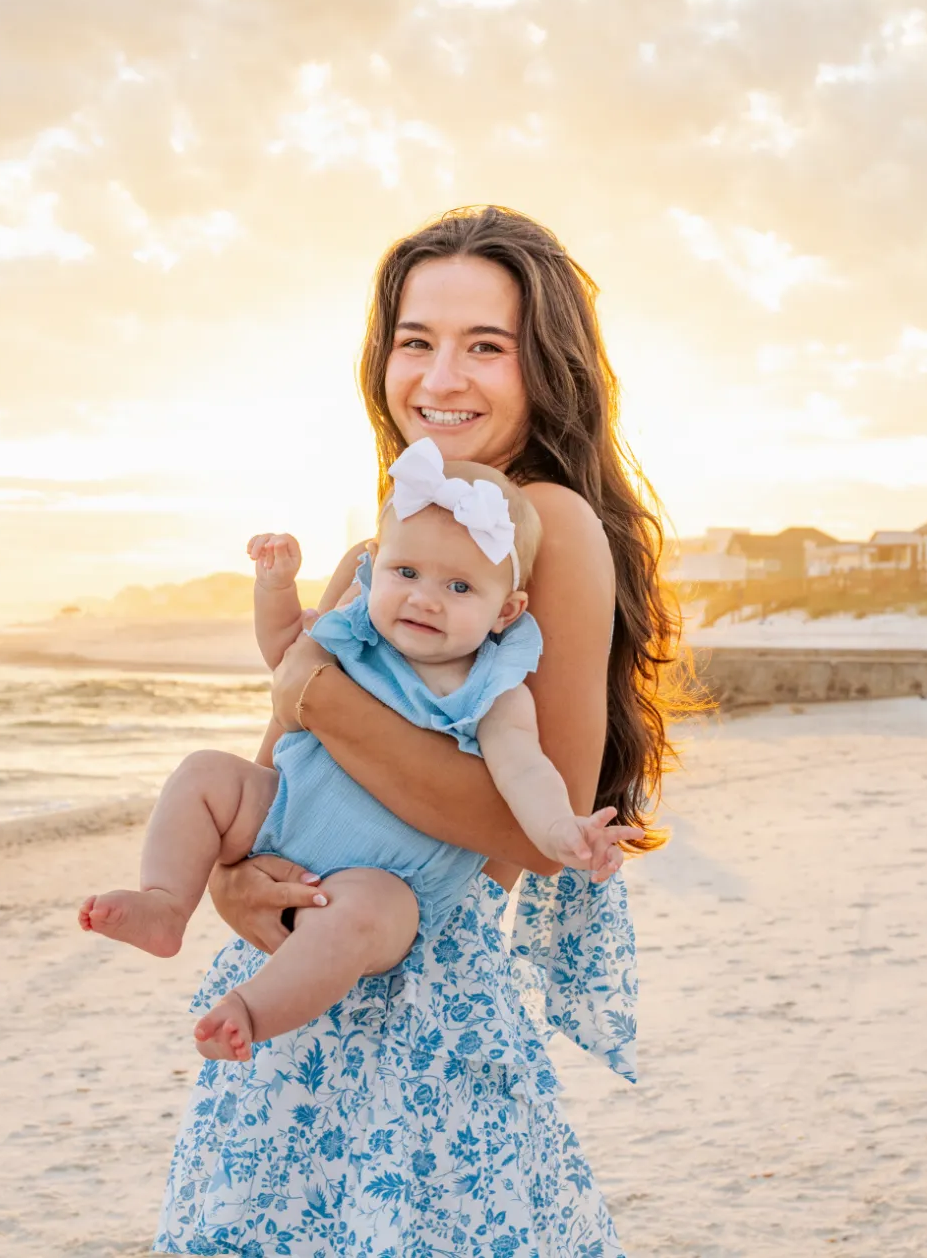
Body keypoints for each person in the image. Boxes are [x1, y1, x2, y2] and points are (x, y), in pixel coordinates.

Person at [154, 205, 684, 1258]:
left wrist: (319, 690)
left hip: (425, 1020)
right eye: (415, 341)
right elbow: (280, 790)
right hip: (304, 1010)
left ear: (546, 367)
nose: (440, 379)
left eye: (485, 346)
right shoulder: (380, 554)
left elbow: (535, 830)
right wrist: (226, 881)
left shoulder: (547, 528)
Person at [79, 442, 636, 1061]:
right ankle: (164, 903)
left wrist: (563, 830)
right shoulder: (355, 627)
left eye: (458, 586)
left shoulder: (493, 690)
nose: (424, 598)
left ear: (506, 611)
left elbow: (524, 769)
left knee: (359, 917)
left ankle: (251, 1010)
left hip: (389, 880)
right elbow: (286, 653)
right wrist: (277, 586)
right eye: (406, 574)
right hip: (287, 811)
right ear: (380, 568)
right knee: (205, 773)